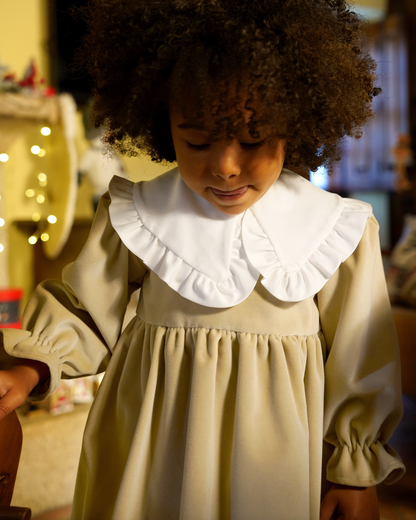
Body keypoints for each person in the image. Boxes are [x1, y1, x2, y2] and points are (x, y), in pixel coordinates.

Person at [0, 1, 405, 519]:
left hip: (272, 454)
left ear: (296, 123)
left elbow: (360, 356)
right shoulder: (138, 211)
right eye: (196, 141)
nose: (226, 167)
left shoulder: (336, 228)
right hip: (153, 437)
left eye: (254, 139)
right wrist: (33, 366)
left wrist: (354, 468)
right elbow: (83, 309)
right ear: (163, 123)